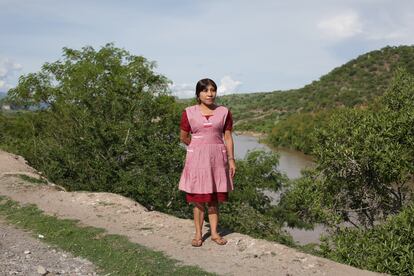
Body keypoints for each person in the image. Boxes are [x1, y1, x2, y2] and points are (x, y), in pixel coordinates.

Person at [178, 78, 236, 247]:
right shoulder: (188, 112)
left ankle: (215, 233)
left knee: (214, 199)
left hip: (218, 160)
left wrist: (231, 160)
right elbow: (183, 137)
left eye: (212, 90)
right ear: (198, 94)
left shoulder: (224, 112)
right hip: (197, 161)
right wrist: (198, 148)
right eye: (205, 90)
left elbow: (227, 137)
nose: (210, 94)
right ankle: (198, 235)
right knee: (198, 199)